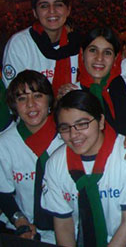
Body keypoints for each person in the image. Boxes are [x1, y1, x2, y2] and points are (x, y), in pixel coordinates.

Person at [41, 90, 126, 246]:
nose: (74, 135)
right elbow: (64, 225)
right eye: (65, 128)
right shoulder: (56, 163)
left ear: (101, 121)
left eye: (82, 124)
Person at [0, 70, 63, 244]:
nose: (30, 104)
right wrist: (21, 222)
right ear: (14, 105)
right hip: (23, 229)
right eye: (22, 98)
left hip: (69, 227)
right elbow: (3, 193)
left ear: (49, 100)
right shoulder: (5, 143)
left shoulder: (67, 136)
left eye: (37, 96)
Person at [2, 0, 81, 94]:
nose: (52, 11)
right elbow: (15, 95)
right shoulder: (20, 44)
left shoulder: (79, 44)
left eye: (58, 4)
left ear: (68, 10)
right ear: (35, 12)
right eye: (44, 6)